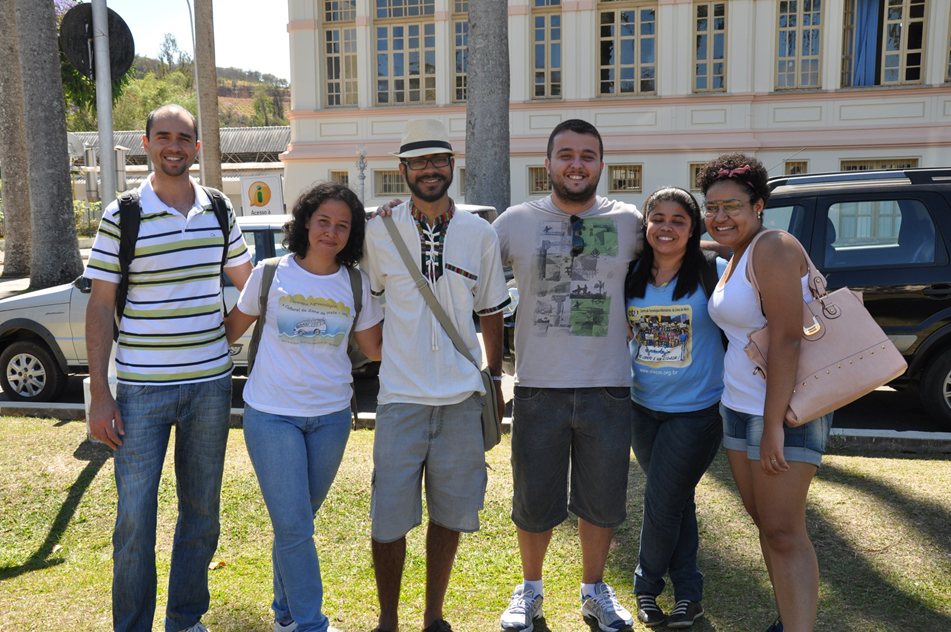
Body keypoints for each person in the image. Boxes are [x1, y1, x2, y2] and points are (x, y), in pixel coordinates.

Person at [85, 103, 253, 632]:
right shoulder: (123, 213)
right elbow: (99, 305)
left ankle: (185, 620)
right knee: (135, 520)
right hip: (139, 391)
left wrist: (218, 342)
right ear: (147, 142)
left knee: (201, 514)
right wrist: (100, 393)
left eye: (184, 137)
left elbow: (249, 287)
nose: (174, 145)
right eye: (164, 136)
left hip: (209, 387)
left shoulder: (220, 209)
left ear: (197, 146)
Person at [492, 119, 642, 632]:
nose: (576, 164)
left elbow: (677, 261)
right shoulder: (515, 221)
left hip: (608, 386)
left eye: (587, 155)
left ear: (602, 164)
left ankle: (593, 590)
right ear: (548, 163)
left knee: (601, 500)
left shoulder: (629, 221)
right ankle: (530, 590)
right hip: (538, 386)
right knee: (533, 501)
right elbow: (467, 270)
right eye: (565, 155)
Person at [362, 118, 510, 632]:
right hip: (400, 396)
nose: (430, 170)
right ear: (402, 170)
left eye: (439, 160)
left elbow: (491, 310)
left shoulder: (479, 233)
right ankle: (387, 619)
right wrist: (383, 357)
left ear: (453, 166)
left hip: (461, 396)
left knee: (449, 514)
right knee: (389, 518)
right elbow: (370, 304)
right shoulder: (378, 231)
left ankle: (433, 616)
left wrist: (493, 380)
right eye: (419, 162)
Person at [224, 182, 384, 632]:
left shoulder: (355, 283)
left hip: (332, 419)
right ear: (305, 223)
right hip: (271, 415)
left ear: (352, 235)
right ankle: (311, 624)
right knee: (294, 526)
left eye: (342, 226)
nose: (331, 233)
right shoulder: (270, 273)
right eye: (323, 222)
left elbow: (374, 348)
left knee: (295, 524)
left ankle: (285, 616)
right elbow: (228, 332)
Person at [703, 154, 833, 632]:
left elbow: (787, 336)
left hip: (783, 411)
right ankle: (788, 621)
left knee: (783, 531)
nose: (720, 217)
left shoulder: (774, 246)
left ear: (759, 205)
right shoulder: (738, 252)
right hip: (738, 406)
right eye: (711, 207)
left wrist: (774, 425)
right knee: (769, 527)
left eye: (732, 206)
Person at [624, 187, 726, 629]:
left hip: (696, 413)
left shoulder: (713, 271)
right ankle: (690, 594)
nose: (666, 227)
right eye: (657, 218)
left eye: (678, 220)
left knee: (662, 503)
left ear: (693, 227)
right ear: (646, 224)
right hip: (641, 409)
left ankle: (646, 590)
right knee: (677, 501)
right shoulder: (629, 274)